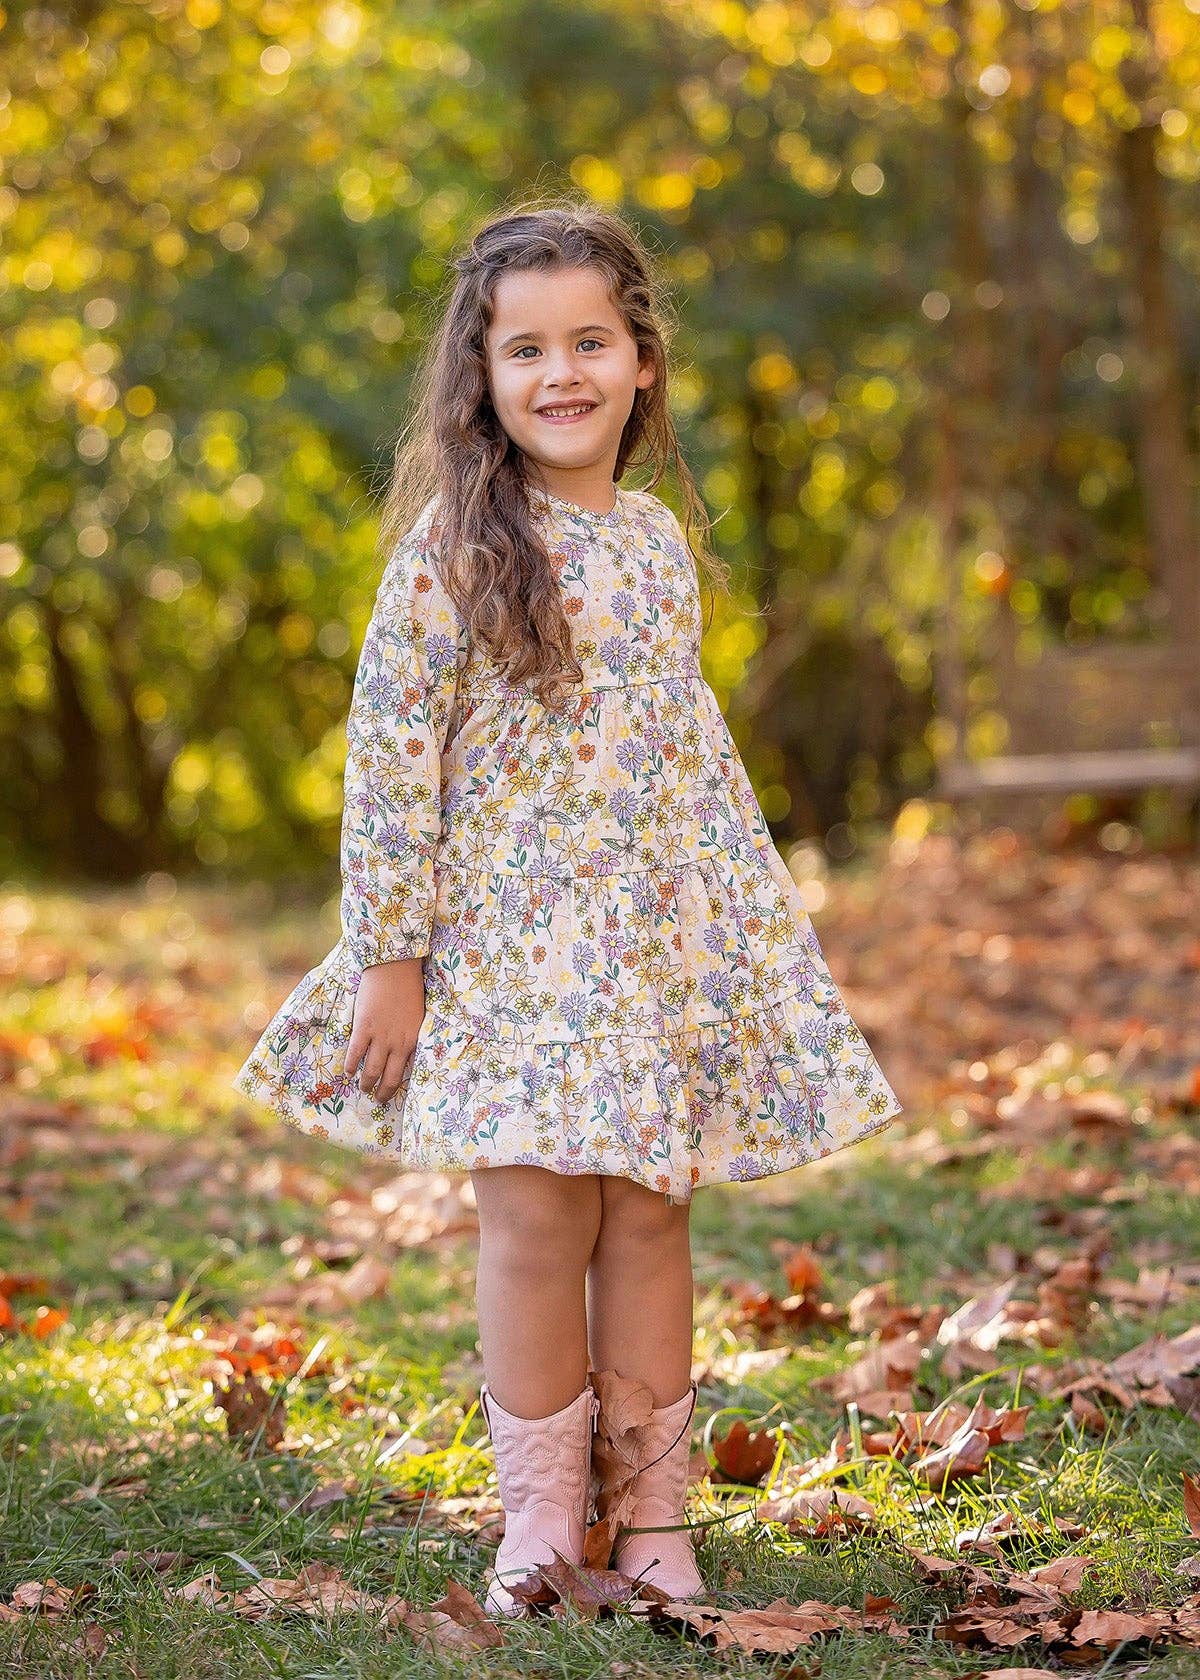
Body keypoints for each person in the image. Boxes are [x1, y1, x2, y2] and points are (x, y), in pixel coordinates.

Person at [232, 198, 904, 1616]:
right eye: (525, 348)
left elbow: (680, 758)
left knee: (649, 1219)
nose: (561, 373)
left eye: (590, 341)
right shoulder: (454, 550)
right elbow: (390, 759)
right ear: (480, 376)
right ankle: (541, 1518)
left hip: (648, 947)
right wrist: (390, 956)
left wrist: (732, 942)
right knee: (535, 1223)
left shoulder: (654, 543)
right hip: (507, 952)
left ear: (643, 360)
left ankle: (652, 1513)